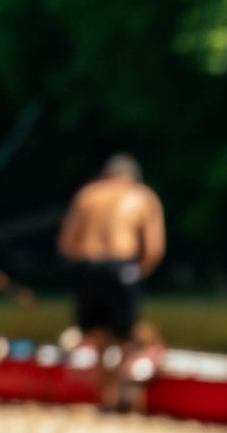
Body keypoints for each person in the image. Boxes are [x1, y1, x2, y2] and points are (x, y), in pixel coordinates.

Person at [56, 154, 167, 414]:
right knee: (127, 335)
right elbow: (154, 248)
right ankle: (127, 396)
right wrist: (137, 271)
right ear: (132, 176)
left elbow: (67, 243)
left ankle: (105, 397)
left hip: (87, 267)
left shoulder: (87, 194)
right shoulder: (142, 196)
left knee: (98, 337)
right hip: (121, 267)